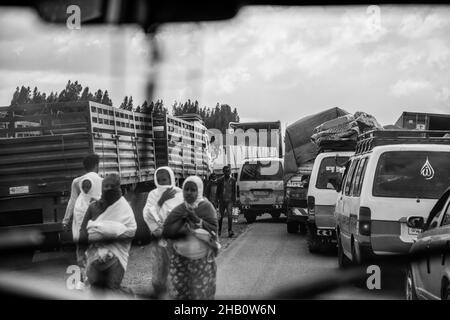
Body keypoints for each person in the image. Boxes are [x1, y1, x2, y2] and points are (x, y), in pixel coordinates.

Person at [162, 176, 219, 300]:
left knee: (201, 293)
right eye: (186, 189)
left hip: (202, 263)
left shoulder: (207, 207)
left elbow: (214, 230)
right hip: (180, 261)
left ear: (199, 190)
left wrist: (197, 220)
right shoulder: (179, 209)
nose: (189, 192)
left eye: (192, 190)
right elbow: (166, 231)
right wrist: (182, 221)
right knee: (179, 293)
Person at [79, 174, 137, 291]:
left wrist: (102, 231)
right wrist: (80, 252)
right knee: (95, 289)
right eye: (106, 186)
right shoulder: (93, 207)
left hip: (116, 256)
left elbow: (131, 230)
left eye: (112, 186)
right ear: (101, 188)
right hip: (94, 256)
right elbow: (84, 230)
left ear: (119, 188)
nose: (109, 189)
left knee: (111, 289)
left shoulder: (123, 208)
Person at [62, 154, 103, 284]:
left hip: (80, 217)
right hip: (97, 218)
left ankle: (84, 276)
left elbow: (72, 201)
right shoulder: (101, 181)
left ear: (84, 167)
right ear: (97, 165)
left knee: (81, 245)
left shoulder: (77, 181)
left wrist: (66, 219)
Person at [142, 166, 183, 295]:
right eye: (158, 180)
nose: (162, 183)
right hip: (158, 235)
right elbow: (147, 214)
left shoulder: (179, 194)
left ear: (171, 178)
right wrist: (161, 201)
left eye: (164, 179)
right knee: (159, 266)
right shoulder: (153, 194)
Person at [216, 166, 237, 237]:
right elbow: (217, 191)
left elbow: (234, 191)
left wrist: (235, 200)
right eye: (225, 171)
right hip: (222, 201)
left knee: (230, 215)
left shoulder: (233, 180)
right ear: (223, 172)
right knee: (220, 216)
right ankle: (219, 231)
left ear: (230, 171)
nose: (227, 173)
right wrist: (217, 200)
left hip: (230, 201)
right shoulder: (220, 180)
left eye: (228, 171)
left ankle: (230, 231)